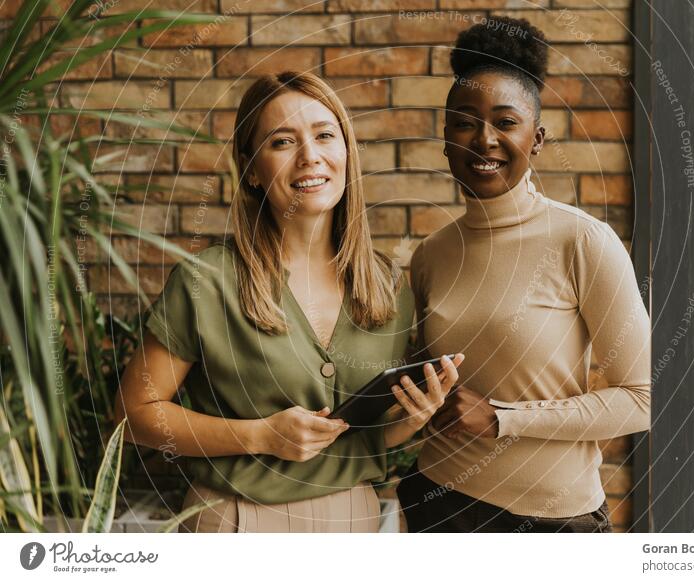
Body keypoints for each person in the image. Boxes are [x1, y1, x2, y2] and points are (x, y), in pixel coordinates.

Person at [114, 72, 463, 533]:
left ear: (345, 152)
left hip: (355, 518)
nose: (310, 157)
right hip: (236, 519)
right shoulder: (207, 282)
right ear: (253, 169)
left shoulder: (386, 284)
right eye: (283, 142)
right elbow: (133, 415)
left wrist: (412, 419)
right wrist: (259, 435)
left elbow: (364, 440)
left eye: (324, 135)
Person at [397, 17, 651, 533]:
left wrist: (502, 418)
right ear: (445, 137)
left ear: (536, 139)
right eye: (465, 121)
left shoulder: (582, 241)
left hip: (552, 523)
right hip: (438, 505)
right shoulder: (431, 254)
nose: (484, 139)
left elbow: (644, 399)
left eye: (505, 122)